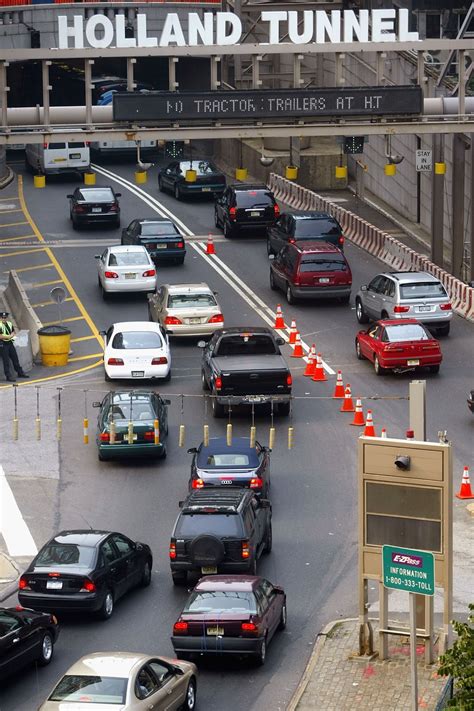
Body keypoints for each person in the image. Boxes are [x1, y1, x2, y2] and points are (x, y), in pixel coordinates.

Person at [0, 312, 29, 382]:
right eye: (2, 318)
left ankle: (20, 372)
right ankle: (8, 376)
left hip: (10, 343)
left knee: (15, 358)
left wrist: (11, 336)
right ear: (0, 318)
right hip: (3, 345)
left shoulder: (9, 323)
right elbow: (0, 336)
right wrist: (10, 336)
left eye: (5, 317)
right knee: (6, 361)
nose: (4, 319)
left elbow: (13, 332)